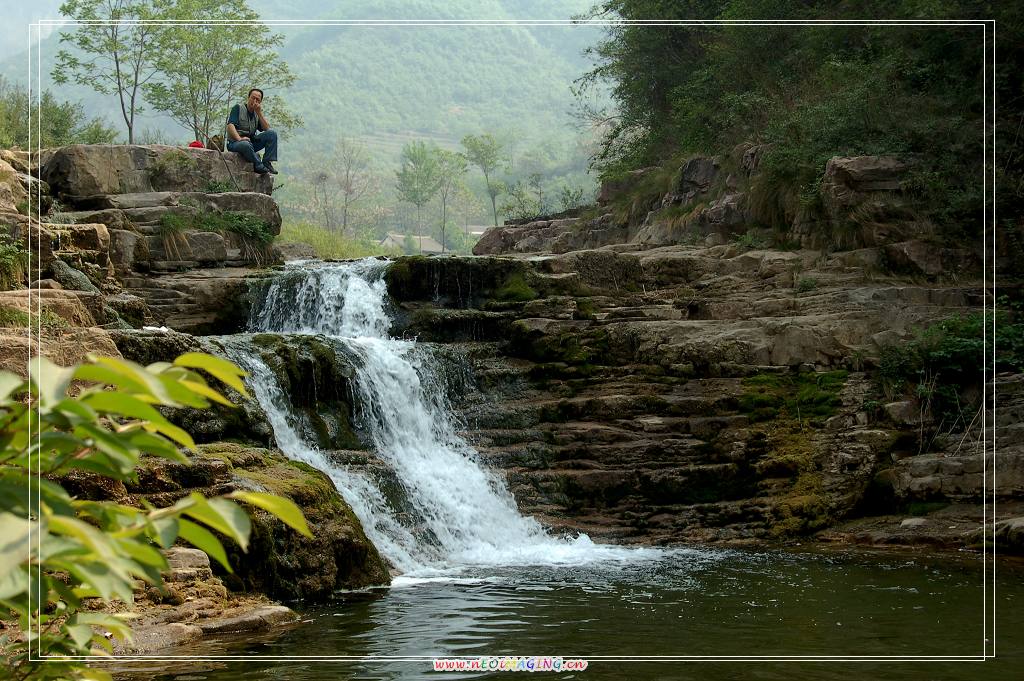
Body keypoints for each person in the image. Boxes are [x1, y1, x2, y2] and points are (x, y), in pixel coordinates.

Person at [225, 88, 279, 175]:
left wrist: (259, 113)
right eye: (253, 98)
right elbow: (230, 126)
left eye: (257, 100)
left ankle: (267, 162)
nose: (254, 101)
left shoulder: (256, 114)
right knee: (245, 144)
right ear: (248, 98)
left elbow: (267, 129)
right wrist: (239, 139)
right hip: (235, 143)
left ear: (260, 102)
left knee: (272, 134)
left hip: (251, 143)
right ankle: (258, 165)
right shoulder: (238, 108)